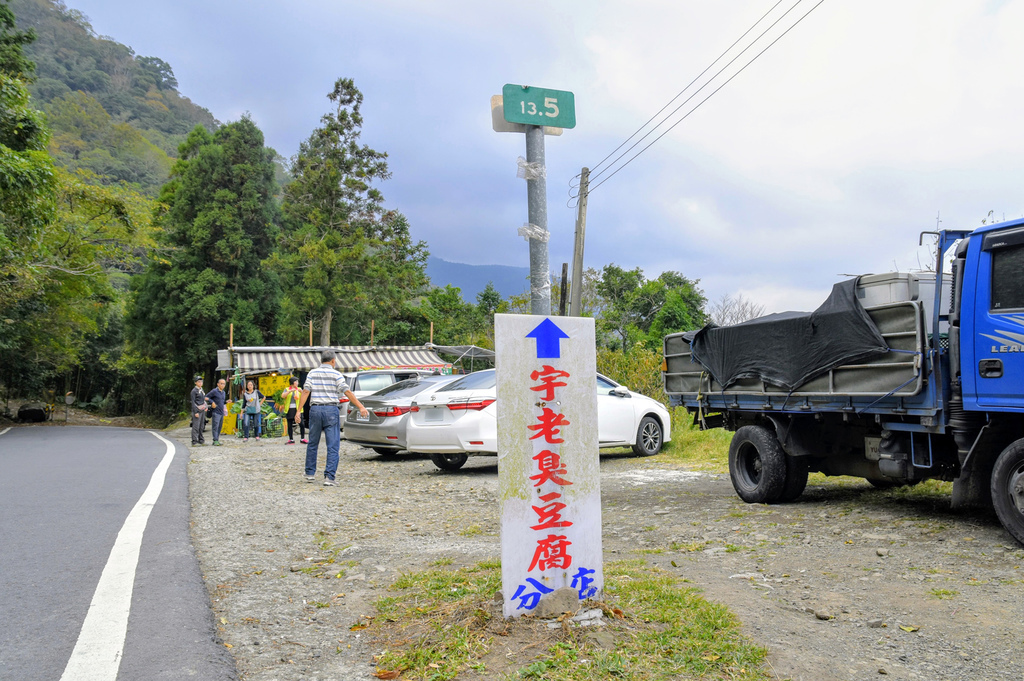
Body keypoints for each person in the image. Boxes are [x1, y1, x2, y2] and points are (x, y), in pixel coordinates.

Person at [296, 350, 368, 486]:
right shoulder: (336, 374)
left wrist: (298, 411)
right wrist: (360, 406)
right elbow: (347, 391)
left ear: (321, 360)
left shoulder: (312, 373)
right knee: (333, 445)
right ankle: (329, 477)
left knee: (313, 442)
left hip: (315, 409)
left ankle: (310, 473)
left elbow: (306, 391)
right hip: (331, 410)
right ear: (333, 361)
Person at [281, 377, 306, 445]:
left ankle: (302, 438)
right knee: (289, 424)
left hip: (298, 409)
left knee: (301, 424)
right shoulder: (287, 389)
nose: (297, 383)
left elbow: (305, 395)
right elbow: (283, 396)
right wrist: (290, 391)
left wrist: (302, 392)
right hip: (289, 409)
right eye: (296, 382)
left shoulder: (299, 389)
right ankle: (291, 439)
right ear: (293, 382)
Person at [205, 378, 228, 446]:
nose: (222, 385)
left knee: (219, 427)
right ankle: (215, 440)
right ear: (218, 384)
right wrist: (212, 402)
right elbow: (206, 397)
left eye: (224, 384)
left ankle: (217, 439)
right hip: (215, 412)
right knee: (215, 426)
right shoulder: (214, 391)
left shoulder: (223, 392)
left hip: (221, 412)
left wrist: (226, 401)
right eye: (221, 383)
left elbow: (221, 402)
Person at [190, 375, 207, 446]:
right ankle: (194, 441)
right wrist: (195, 412)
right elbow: (193, 402)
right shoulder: (194, 391)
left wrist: (205, 406)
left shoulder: (201, 390)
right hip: (197, 410)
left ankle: (201, 440)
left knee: (201, 426)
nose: (200, 383)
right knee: (196, 426)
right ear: (195, 383)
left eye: (201, 382)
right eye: (199, 382)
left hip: (202, 409)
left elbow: (203, 400)